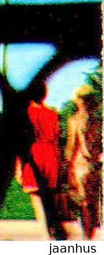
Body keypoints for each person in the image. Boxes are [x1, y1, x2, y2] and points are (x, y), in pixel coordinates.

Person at [16, 82, 61, 239]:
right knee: (50, 199)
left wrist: (18, 166)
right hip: (51, 156)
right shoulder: (53, 114)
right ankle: (53, 232)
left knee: (37, 199)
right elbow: (56, 140)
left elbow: (22, 142)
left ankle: (46, 236)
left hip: (34, 154)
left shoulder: (26, 113)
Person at [65, 86, 102, 239]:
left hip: (80, 164)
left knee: (84, 201)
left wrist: (66, 164)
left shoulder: (74, 120)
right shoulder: (98, 121)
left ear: (79, 101)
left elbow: (71, 145)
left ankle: (86, 239)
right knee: (92, 201)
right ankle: (90, 236)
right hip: (95, 164)